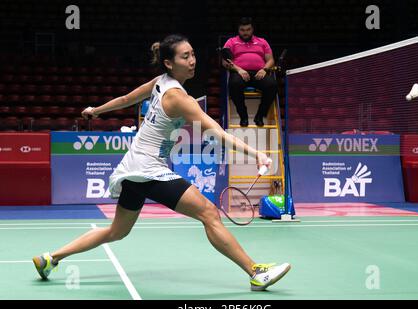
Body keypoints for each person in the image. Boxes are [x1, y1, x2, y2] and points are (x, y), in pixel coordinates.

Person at [32, 34, 291, 291]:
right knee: (209, 213)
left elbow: (126, 100)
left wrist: (96, 110)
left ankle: (50, 258)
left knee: (116, 231)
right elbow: (218, 133)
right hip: (149, 169)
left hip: (131, 167)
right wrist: (255, 153)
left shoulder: (160, 82)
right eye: (185, 56)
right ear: (169, 63)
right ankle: (256, 272)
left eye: (193, 54)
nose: (192, 61)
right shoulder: (179, 98)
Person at [222, 17, 277, 127]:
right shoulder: (231, 42)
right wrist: (239, 70)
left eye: (248, 29)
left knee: (272, 85)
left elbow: (271, 60)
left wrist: (264, 69)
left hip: (259, 73)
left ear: (252, 29)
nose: (245, 32)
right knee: (234, 84)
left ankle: (260, 116)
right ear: (238, 30)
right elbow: (225, 62)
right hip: (239, 73)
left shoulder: (262, 42)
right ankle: (243, 116)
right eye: (242, 30)